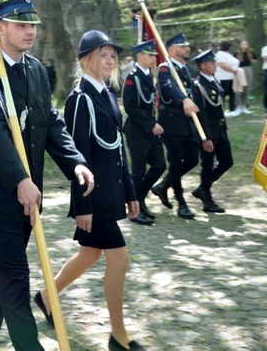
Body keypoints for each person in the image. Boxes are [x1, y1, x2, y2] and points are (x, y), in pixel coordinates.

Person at [0, 0, 93, 350]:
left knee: (1, 272)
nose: (30, 31)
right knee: (15, 279)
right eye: (21, 24)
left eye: (32, 24)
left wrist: (75, 162)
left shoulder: (36, 70)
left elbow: (50, 123)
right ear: (0, 28)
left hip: (29, 195)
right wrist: (20, 179)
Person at [35, 30, 145, 351]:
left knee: (89, 254)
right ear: (86, 60)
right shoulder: (79, 99)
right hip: (93, 198)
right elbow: (77, 155)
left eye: (112, 55)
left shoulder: (109, 95)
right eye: (103, 55)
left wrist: (131, 192)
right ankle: (117, 334)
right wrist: (82, 205)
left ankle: (46, 296)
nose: (109, 61)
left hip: (112, 193)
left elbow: (117, 150)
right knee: (119, 259)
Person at [150, 34, 210, 220]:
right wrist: (184, 99)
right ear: (173, 49)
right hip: (172, 121)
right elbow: (169, 88)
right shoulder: (165, 67)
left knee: (192, 159)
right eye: (183, 46)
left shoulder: (186, 69)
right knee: (176, 162)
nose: (188, 49)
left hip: (188, 122)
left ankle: (163, 186)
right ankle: (181, 203)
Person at [121, 40, 165, 226]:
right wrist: (150, 124)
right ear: (139, 56)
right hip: (138, 131)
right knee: (138, 172)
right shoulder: (133, 77)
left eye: (154, 55)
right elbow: (130, 106)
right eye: (149, 55)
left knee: (159, 165)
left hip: (151, 129)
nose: (153, 58)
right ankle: (134, 208)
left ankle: (140, 198)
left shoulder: (149, 76)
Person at [191, 50, 232, 213]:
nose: (215, 65)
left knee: (227, 161)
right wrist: (205, 137)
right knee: (207, 165)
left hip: (220, 130)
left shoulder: (214, 81)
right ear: (202, 65)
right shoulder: (198, 85)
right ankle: (207, 201)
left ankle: (202, 187)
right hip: (208, 131)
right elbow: (200, 113)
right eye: (212, 62)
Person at [214, 41, 240, 115]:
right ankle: (221, 110)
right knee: (223, 94)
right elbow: (222, 64)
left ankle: (232, 109)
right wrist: (233, 70)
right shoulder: (219, 54)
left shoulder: (229, 55)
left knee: (232, 94)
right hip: (223, 78)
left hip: (232, 77)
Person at [234, 40, 257, 114]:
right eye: (242, 44)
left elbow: (255, 59)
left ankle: (244, 106)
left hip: (248, 69)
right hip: (239, 69)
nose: (244, 46)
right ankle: (237, 107)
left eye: (245, 44)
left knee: (247, 88)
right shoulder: (236, 53)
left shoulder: (251, 52)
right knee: (239, 89)